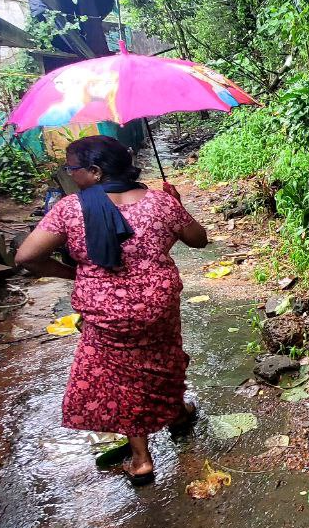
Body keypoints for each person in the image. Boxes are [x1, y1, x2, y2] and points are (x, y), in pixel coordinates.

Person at [14, 135, 208, 486]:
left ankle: (141, 459)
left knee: (122, 378)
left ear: (94, 171)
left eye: (73, 168)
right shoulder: (161, 203)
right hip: (157, 303)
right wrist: (177, 205)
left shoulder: (71, 208)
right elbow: (199, 240)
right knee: (164, 357)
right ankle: (177, 414)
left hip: (105, 310)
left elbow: (26, 257)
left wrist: (72, 273)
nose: (71, 175)